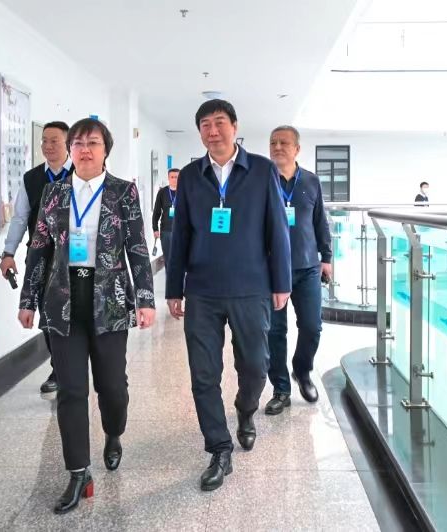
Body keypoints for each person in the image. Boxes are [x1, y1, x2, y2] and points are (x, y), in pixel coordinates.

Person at [17, 118, 156, 514]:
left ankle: (113, 432)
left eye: (92, 143)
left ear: (105, 150)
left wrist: (145, 298)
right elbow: (39, 249)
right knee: (71, 390)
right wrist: (28, 300)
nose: (84, 149)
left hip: (109, 300)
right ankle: (78, 472)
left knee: (112, 386)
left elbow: (137, 247)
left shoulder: (123, 192)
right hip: (63, 302)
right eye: (77, 143)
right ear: (70, 150)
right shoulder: (54, 193)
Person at [165, 99, 291, 491]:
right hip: (202, 289)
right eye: (205, 124)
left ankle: (245, 409)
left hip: (251, 287)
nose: (213, 130)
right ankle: (219, 449)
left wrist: (282, 282)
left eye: (219, 122)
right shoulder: (191, 175)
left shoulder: (262, 171)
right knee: (203, 374)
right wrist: (174, 287)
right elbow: (181, 234)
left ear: (235, 126)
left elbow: (277, 229)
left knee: (255, 365)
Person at [264, 126, 333, 416]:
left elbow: (320, 221)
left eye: (284, 143)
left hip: (307, 268)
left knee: (312, 326)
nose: (278, 147)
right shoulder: (262, 180)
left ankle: (302, 371)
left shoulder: (311, 181)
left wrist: (326, 256)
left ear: (297, 149)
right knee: (274, 331)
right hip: (271, 270)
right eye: (273, 142)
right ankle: (281, 389)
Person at [0, 121, 73, 394]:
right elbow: (20, 218)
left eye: (54, 141)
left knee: (75, 314)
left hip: (75, 258)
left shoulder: (81, 173)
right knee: (47, 315)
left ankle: (74, 365)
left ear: (68, 144)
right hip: (41, 258)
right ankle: (59, 367)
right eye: (44, 141)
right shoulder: (31, 179)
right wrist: (9, 253)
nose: (48, 146)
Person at [151, 168, 180, 270]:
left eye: (177, 177)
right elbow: (156, 212)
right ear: (168, 178)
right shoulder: (162, 192)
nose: (174, 179)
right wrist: (155, 229)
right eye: (172, 177)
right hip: (166, 231)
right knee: (168, 257)